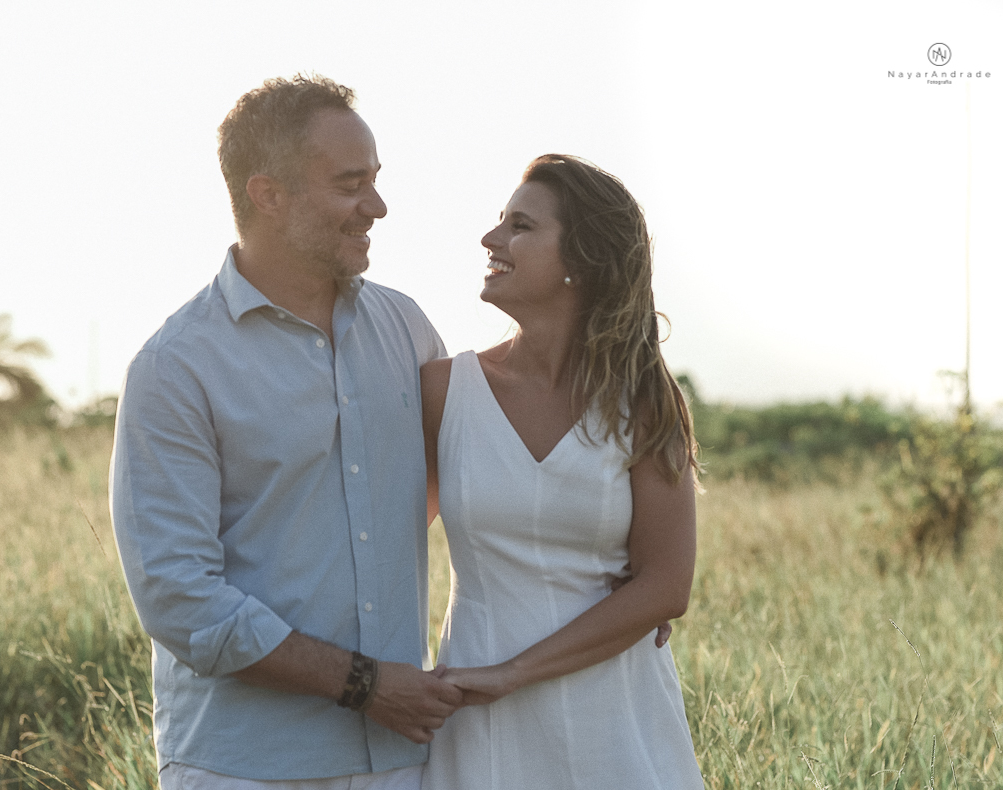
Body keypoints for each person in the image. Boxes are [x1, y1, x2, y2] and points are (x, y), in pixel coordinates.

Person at [110, 75, 463, 790]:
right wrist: (366, 684)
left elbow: (468, 487)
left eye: (376, 180)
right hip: (242, 766)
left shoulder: (407, 330)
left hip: (398, 762)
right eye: (350, 184)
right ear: (268, 194)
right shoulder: (175, 367)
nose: (377, 206)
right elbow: (179, 598)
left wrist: (604, 584)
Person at [420, 154, 705, 788]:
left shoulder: (643, 399)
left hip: (617, 717)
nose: (492, 239)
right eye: (500, 221)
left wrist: (512, 673)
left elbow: (666, 586)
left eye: (520, 226)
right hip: (478, 720)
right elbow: (377, 538)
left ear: (581, 258)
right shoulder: (443, 392)